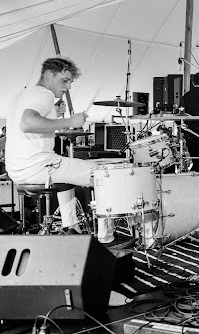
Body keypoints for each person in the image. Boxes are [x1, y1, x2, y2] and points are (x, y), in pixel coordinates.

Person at [5, 57, 123, 245]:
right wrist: (70, 122)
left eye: (70, 82)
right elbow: (27, 123)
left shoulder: (22, 94)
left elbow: (29, 124)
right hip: (38, 167)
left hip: (16, 171)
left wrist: (52, 113)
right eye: (64, 80)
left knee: (64, 169)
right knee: (106, 173)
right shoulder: (44, 94)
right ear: (48, 75)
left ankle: (72, 227)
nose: (68, 87)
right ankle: (107, 238)